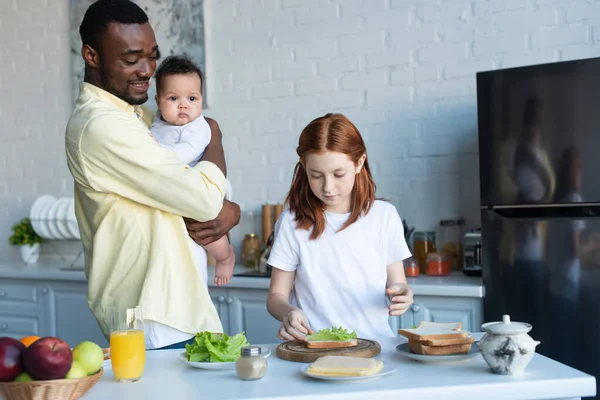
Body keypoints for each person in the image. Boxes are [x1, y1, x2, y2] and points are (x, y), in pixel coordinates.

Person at [65, 0, 240, 350]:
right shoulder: (103, 126)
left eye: (151, 57)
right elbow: (205, 199)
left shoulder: (140, 117)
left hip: (175, 307)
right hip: (152, 317)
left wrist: (230, 210)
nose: (146, 70)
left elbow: (198, 189)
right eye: (131, 60)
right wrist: (215, 134)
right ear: (91, 55)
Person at [266, 113, 414, 341]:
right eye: (316, 175)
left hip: (376, 346)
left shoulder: (384, 216)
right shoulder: (292, 222)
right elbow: (276, 296)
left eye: (338, 174)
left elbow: (397, 283)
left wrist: (403, 294)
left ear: (359, 162)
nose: (328, 187)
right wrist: (289, 312)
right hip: (314, 347)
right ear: (304, 167)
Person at [150, 55, 235, 286]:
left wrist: (156, 154)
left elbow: (187, 152)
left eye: (192, 98)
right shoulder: (156, 125)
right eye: (173, 98)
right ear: (158, 101)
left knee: (208, 234)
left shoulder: (199, 127)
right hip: (178, 189)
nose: (183, 105)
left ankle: (225, 256)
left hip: (203, 186)